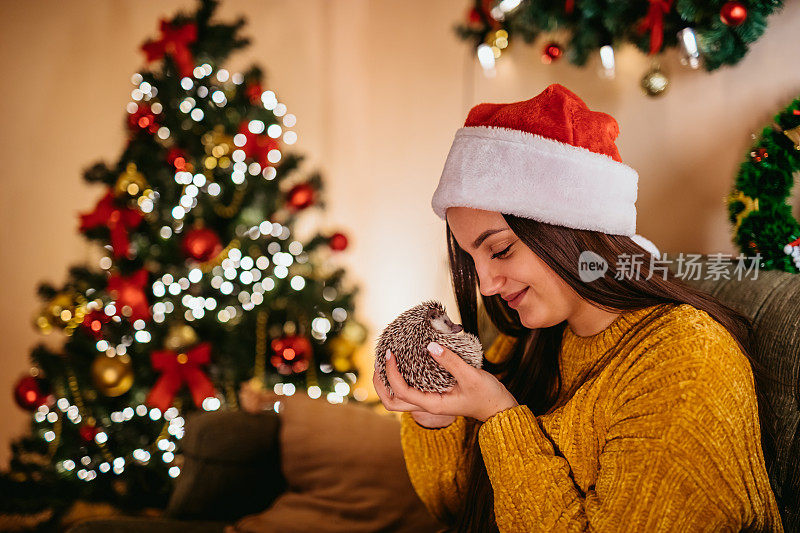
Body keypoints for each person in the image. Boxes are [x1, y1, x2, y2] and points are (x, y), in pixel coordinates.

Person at [372, 84, 785, 532]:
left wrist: (500, 417)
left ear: (571, 228)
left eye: (501, 250)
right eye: (473, 260)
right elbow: (452, 507)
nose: (486, 285)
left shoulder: (685, 360)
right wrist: (436, 418)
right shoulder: (536, 338)